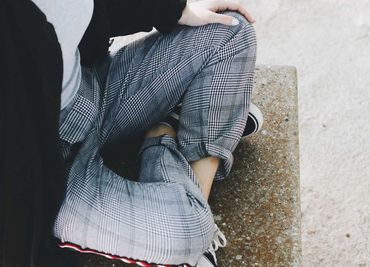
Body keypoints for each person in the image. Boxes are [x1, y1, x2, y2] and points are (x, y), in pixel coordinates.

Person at [31, 0, 259, 266]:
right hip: (45, 171)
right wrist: (160, 142)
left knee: (232, 30)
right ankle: (165, 131)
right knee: (186, 231)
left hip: (87, 90)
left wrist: (172, 9)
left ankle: (198, 209)